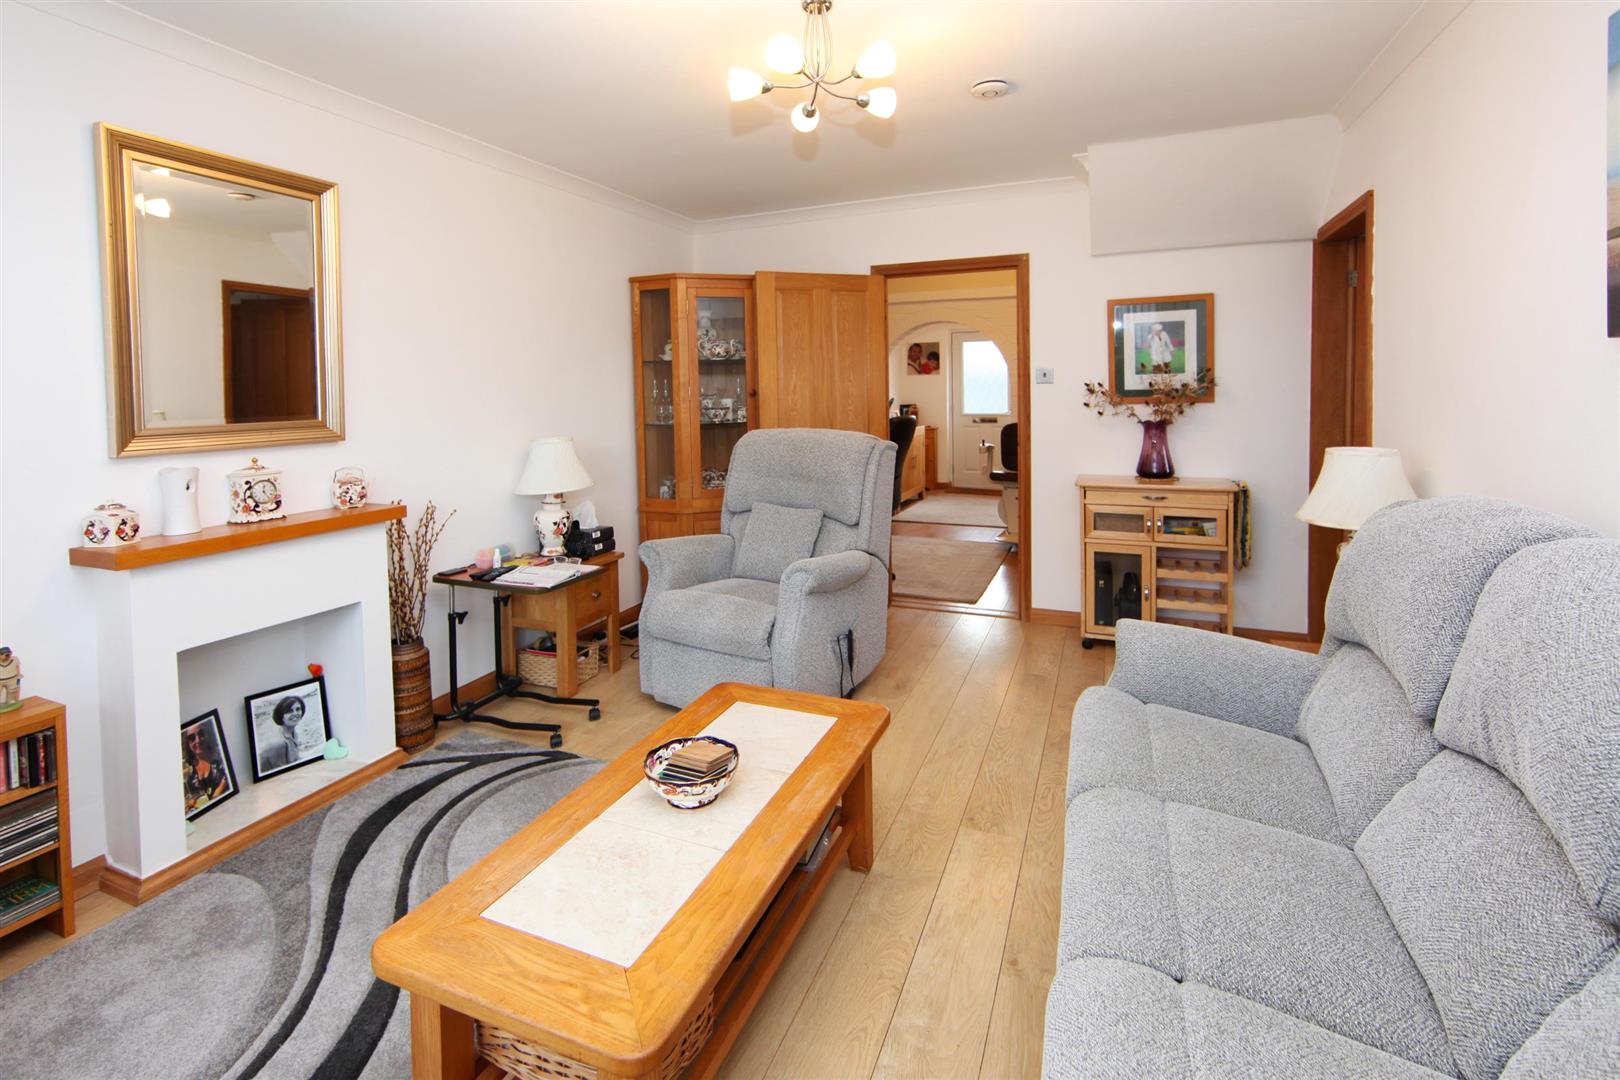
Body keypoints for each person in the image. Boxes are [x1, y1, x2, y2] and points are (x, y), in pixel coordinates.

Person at [183, 725, 230, 811]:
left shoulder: (220, 758)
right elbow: (197, 795)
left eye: (201, 733)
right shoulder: (191, 772)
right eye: (192, 737)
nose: (197, 740)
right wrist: (192, 801)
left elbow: (225, 783)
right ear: (188, 744)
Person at [258, 695, 306, 774]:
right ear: (281, 716)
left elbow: (294, 760)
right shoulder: (279, 744)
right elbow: (283, 774)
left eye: (298, 709)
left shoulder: (293, 733)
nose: (295, 713)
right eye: (289, 711)